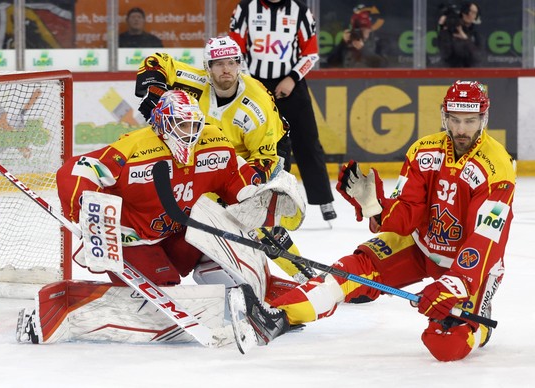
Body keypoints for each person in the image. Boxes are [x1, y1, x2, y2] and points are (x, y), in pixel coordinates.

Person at [231, 80, 516, 362]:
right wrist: (376, 208)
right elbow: (407, 217)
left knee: (445, 344)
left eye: (470, 120)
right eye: (455, 120)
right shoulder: (423, 151)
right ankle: (278, 316)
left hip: (469, 267)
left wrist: (456, 284)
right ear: (445, 116)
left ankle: (480, 329)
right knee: (351, 270)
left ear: (483, 118)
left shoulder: (498, 166)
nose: (461, 129)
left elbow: (486, 238)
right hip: (420, 246)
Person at [16, 90, 306, 345]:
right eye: (182, 125)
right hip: (133, 240)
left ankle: (255, 303)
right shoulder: (135, 148)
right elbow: (77, 170)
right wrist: (85, 209)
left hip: (178, 233)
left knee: (223, 242)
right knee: (161, 294)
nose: (190, 132)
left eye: (194, 124)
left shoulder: (212, 140)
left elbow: (233, 177)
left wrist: (252, 194)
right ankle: (69, 303)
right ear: (164, 124)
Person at [135, 36, 313, 283]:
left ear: (240, 64)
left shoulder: (257, 104)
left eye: (231, 62)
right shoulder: (196, 82)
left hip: (264, 153)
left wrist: (240, 193)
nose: (226, 69)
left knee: (252, 216)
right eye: (218, 64)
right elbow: (157, 61)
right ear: (207, 67)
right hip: (217, 153)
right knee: (199, 207)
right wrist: (155, 89)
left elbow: (266, 157)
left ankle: (303, 273)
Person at [229, 0, 337, 222]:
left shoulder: (300, 11)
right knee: (262, 142)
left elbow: (311, 53)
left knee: (307, 140)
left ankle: (323, 198)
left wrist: (292, 79)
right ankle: (263, 198)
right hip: (254, 83)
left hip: (292, 84)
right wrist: (251, 82)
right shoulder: (246, 8)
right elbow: (235, 50)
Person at [437, 2, 482, 67]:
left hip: (470, 73)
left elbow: (478, 57)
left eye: (474, 13)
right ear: (462, 13)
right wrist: (442, 28)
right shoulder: (449, 32)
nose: (469, 14)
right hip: (450, 72)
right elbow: (445, 54)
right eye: (468, 11)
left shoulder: (476, 34)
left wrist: (465, 39)